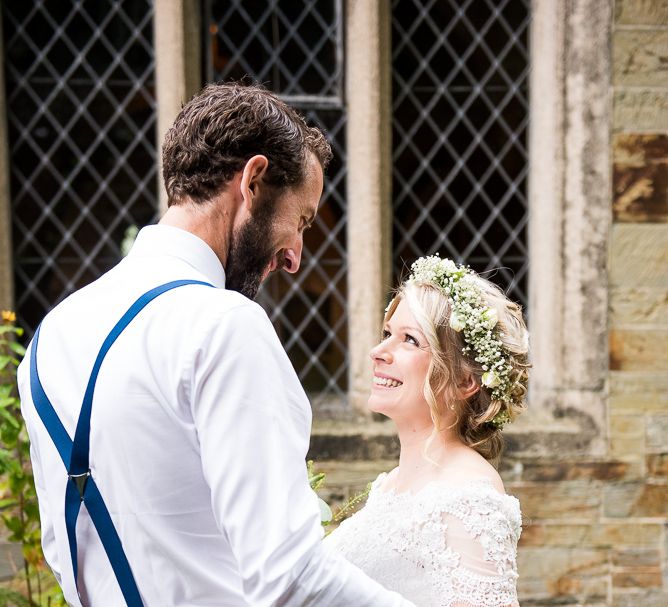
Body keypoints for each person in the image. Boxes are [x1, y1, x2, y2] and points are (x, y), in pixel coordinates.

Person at [17, 82, 415, 606]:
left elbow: (61, 552)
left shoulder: (52, 335)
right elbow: (289, 577)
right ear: (252, 181)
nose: (295, 256)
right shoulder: (224, 327)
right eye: (300, 220)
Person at [324, 256, 529, 607]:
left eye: (410, 340)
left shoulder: (469, 496)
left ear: (465, 381)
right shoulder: (389, 484)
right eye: (388, 334)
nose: (378, 352)